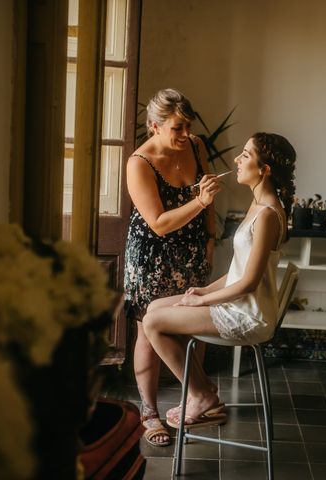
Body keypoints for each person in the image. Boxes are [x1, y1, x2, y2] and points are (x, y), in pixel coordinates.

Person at [142, 132, 296, 428]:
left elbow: (249, 283)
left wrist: (200, 300)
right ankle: (205, 391)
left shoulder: (266, 215)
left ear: (264, 170)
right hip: (238, 303)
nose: (237, 160)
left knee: (153, 323)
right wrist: (204, 290)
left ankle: (201, 394)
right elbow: (240, 270)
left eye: (246, 155)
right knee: (154, 307)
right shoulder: (257, 205)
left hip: (248, 314)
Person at [123, 89, 221, 446]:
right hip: (152, 256)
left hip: (193, 250)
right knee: (148, 333)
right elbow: (159, 223)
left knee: (192, 324)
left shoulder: (196, 146)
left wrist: (210, 239)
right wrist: (199, 200)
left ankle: (194, 402)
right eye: (177, 128)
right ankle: (149, 413)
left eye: (187, 126)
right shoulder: (139, 163)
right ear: (154, 126)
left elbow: (208, 196)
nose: (184, 135)